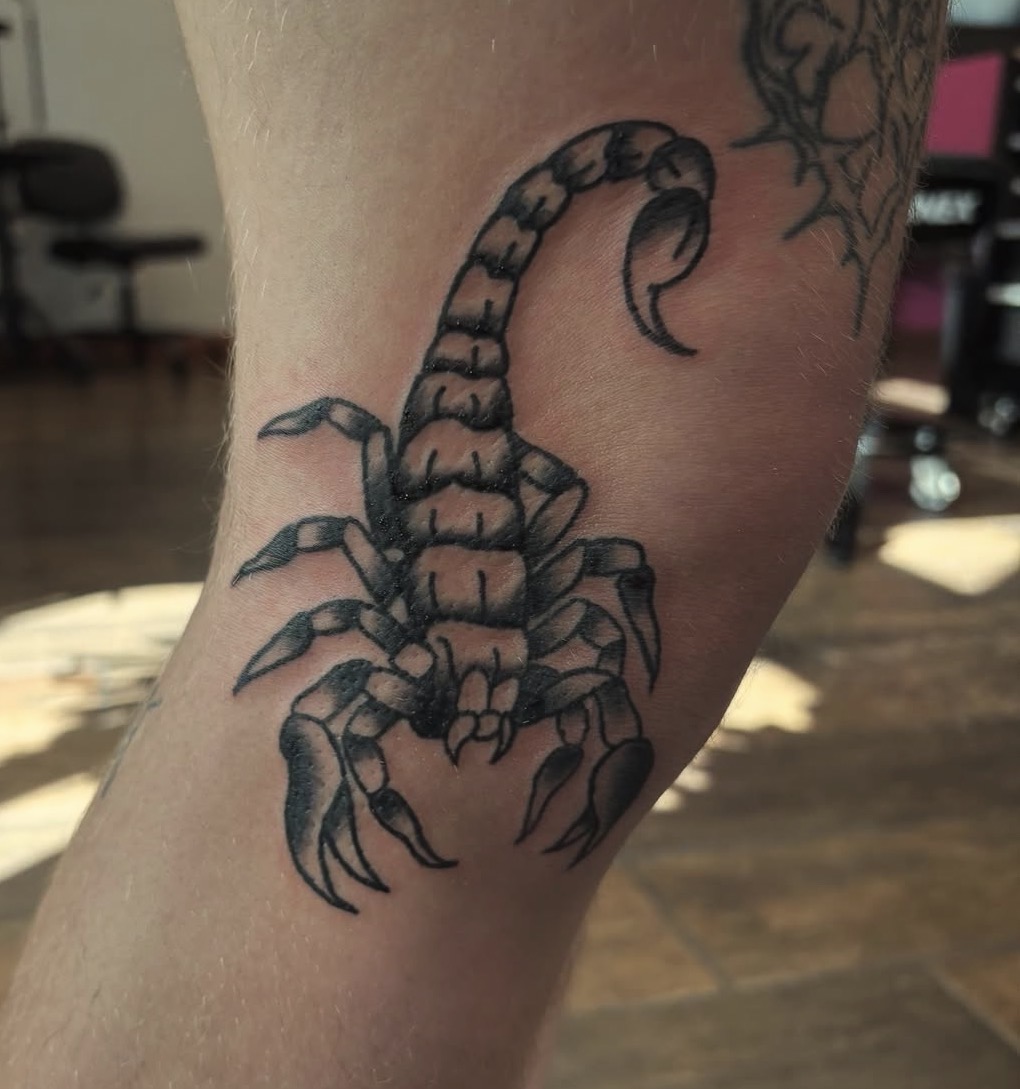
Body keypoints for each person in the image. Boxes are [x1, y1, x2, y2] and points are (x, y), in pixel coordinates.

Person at [0, 2, 946, 1086]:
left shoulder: (500, 643)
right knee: (663, 497)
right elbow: (323, 632)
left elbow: (604, 607)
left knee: (658, 524)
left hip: (483, 500)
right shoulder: (431, 634)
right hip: (450, 505)